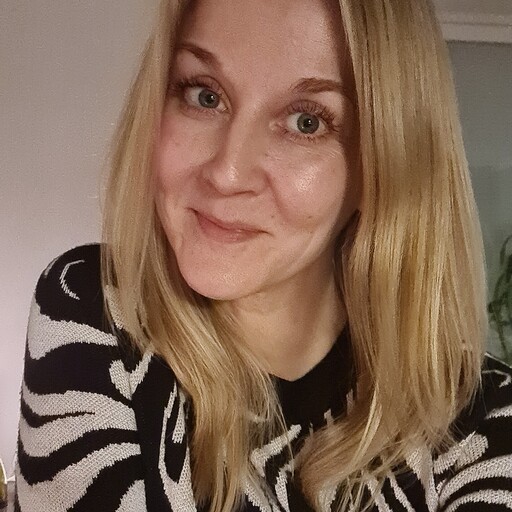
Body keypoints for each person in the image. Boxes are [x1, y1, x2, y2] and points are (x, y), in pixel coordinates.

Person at [14, 0, 512, 510]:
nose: (227, 173)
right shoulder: (96, 308)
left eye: (306, 122)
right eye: (205, 95)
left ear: (384, 163)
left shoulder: (484, 418)